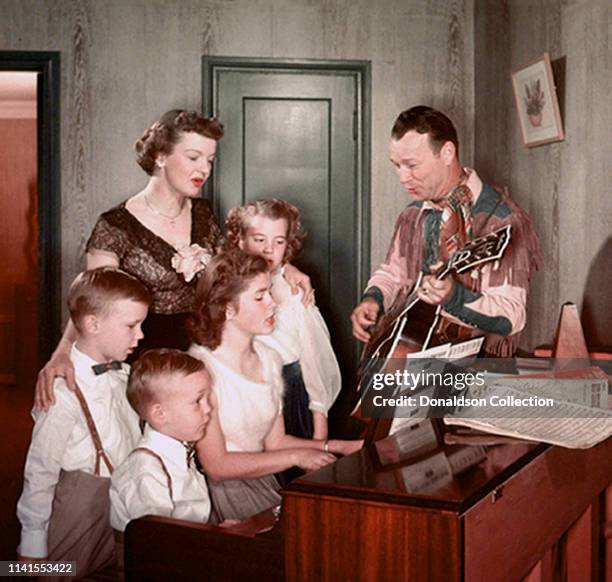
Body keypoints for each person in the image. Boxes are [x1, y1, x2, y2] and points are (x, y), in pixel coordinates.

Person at [35, 109, 312, 409]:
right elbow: (93, 304)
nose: (204, 169)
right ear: (161, 156)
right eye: (194, 157)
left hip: (205, 353)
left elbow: (234, 268)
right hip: (146, 364)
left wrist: (285, 267)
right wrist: (62, 352)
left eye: (209, 160)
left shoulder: (204, 213)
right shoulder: (115, 226)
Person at [351, 105, 543, 357]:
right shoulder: (413, 215)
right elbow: (393, 273)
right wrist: (373, 299)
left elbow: (511, 316)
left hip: (476, 368)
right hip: (414, 354)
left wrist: (454, 296)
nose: (402, 177)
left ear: (447, 153)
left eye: (411, 165)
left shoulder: (503, 220)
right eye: (396, 165)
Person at [187, 249, 362, 521]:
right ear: (228, 309)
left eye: (270, 292)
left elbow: (276, 442)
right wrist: (298, 458)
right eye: (260, 297)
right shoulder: (203, 368)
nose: (272, 303)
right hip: (218, 498)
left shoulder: (268, 359)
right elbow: (216, 465)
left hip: (262, 483)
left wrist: (341, 447)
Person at [16, 267, 149, 576]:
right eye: (132, 325)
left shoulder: (124, 374)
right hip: (78, 512)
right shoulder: (62, 393)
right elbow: (40, 471)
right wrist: (32, 545)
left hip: (118, 507)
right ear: (93, 324)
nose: (140, 335)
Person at [224, 198, 341, 442]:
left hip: (290, 396)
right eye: (259, 240)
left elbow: (314, 363)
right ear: (240, 240)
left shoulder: (294, 291)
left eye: (279, 242)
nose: (269, 249)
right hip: (242, 396)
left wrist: (320, 432)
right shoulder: (224, 285)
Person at [110, 349, 213, 533]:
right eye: (198, 401)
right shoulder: (146, 470)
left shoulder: (179, 449)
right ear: (159, 414)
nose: (208, 408)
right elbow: (159, 542)